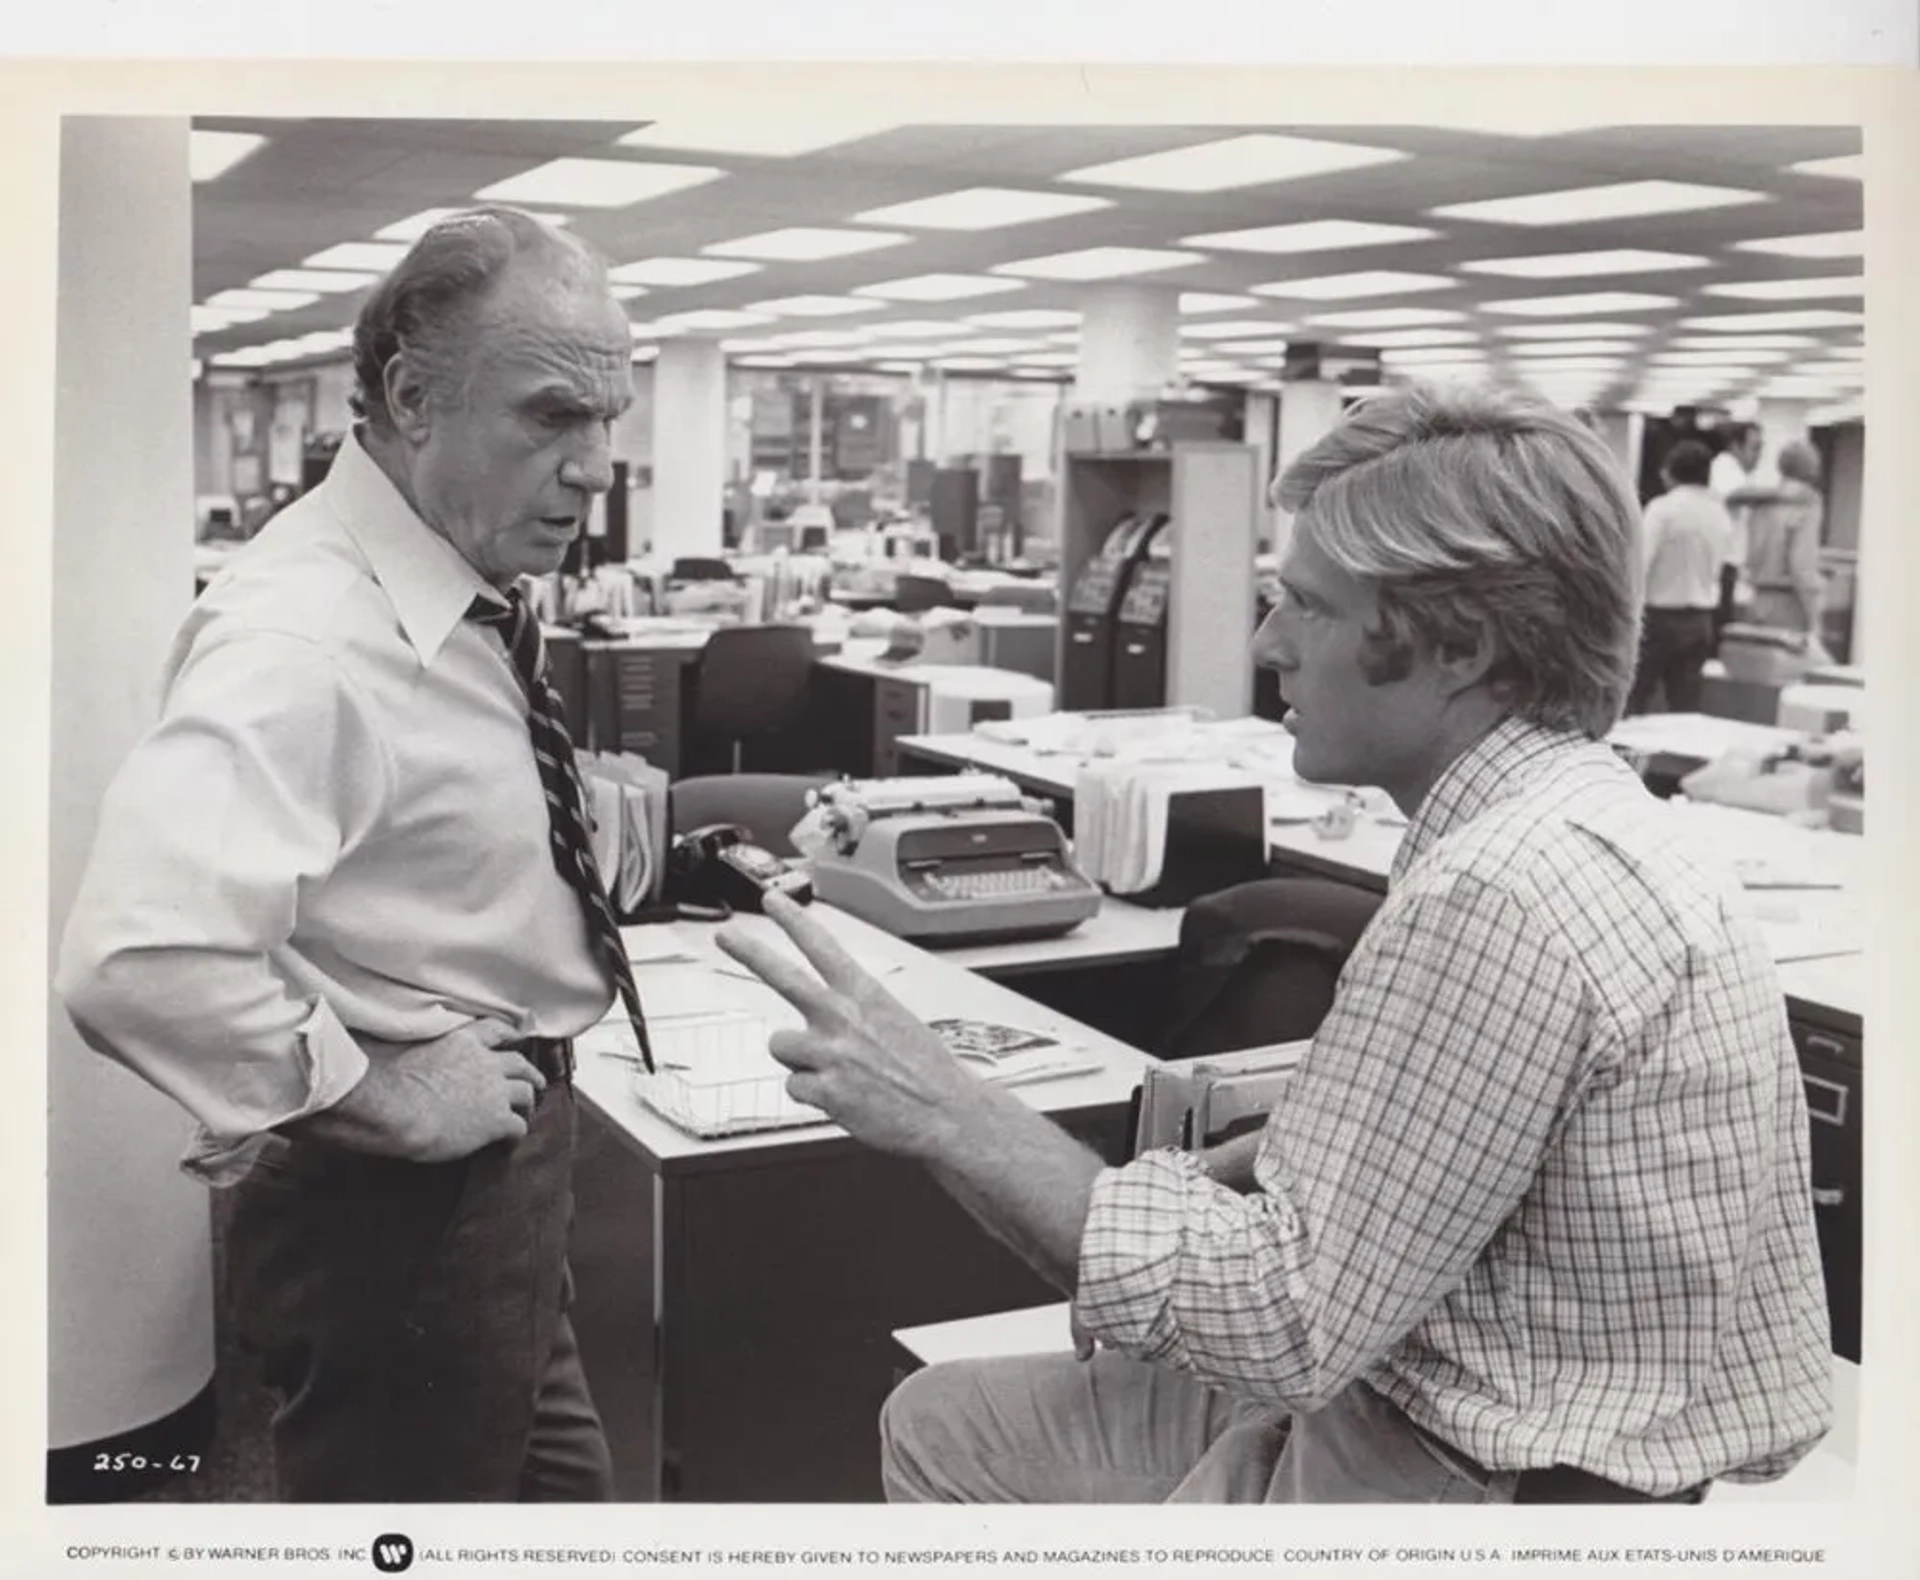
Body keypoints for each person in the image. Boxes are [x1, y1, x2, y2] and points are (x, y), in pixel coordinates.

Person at [717, 384, 1833, 1505]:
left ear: (1459, 643)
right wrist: (1252, 1158)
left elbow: (1284, 1321)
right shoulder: (1590, 821)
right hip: (1483, 1396)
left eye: (1308, 606)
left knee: (962, 1436)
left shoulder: (1499, 892)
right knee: (947, 1418)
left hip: (1476, 1476)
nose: (1264, 643)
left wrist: (944, 1108)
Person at [56, 206, 641, 1501]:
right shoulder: (307, 637)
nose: (599, 466)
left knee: (559, 1504)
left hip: (506, 1148)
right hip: (406, 1200)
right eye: (553, 417)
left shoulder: (444, 580)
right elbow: (137, 960)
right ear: (412, 400)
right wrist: (375, 1090)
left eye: (611, 419)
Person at [1628, 439, 1733, 714]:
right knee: (1685, 707)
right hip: (1701, 621)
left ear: (1669, 472)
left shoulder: (1662, 509)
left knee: (1634, 700)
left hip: (1659, 620)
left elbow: (1639, 565)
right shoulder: (1720, 513)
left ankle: (1628, 756)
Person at [1740, 438, 1831, 658]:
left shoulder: (1764, 499)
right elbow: (1801, 564)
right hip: (1788, 604)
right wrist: (1814, 616)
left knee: (1759, 680)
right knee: (1789, 679)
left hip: (1758, 600)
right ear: (1812, 469)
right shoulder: (1808, 500)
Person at [1707, 420, 1765, 642]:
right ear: (1735, 446)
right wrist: (1782, 494)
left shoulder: (1741, 474)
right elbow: (1735, 496)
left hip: (1731, 562)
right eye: (1755, 447)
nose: (1758, 455)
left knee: (1726, 622)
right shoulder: (1724, 465)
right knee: (1720, 626)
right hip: (1722, 562)